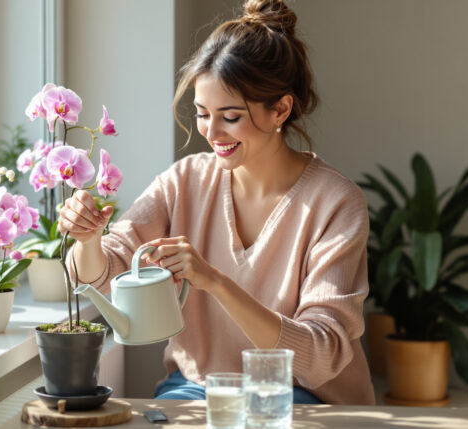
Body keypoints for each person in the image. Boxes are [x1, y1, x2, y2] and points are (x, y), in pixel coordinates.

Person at [58, 0, 374, 405]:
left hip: (302, 395)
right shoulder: (184, 180)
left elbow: (320, 354)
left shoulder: (336, 203)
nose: (211, 132)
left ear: (280, 108)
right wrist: (88, 240)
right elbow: (107, 271)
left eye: (230, 116)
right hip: (198, 390)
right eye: (202, 113)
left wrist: (216, 283)